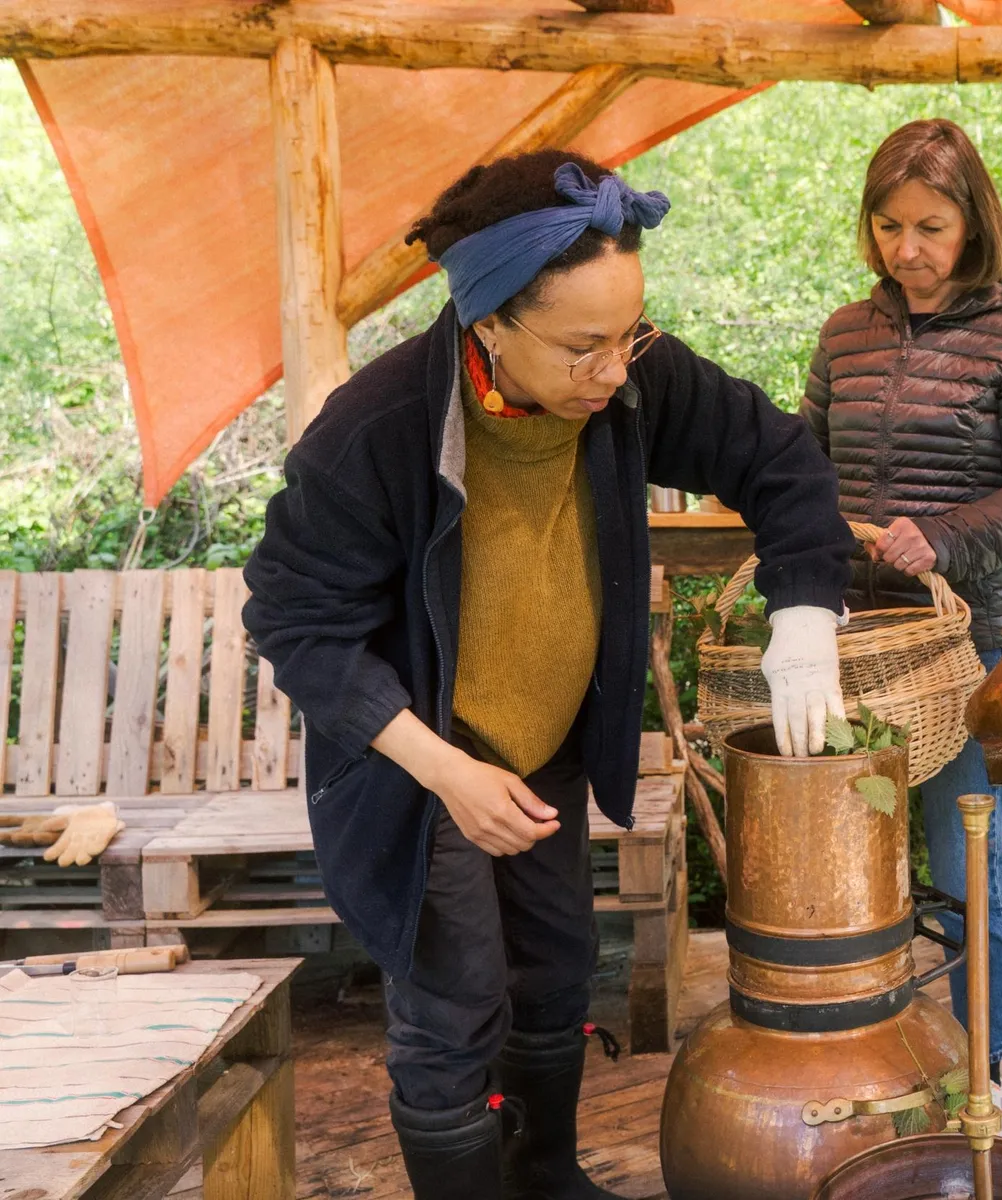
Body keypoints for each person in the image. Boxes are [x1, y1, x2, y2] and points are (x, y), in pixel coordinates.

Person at [243, 150, 855, 1200]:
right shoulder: (379, 430)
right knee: (454, 998)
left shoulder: (630, 382)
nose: (616, 371)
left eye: (631, 334)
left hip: (551, 743)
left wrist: (804, 615)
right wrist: (445, 771)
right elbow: (295, 622)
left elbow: (779, 459)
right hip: (422, 757)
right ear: (488, 323)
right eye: (585, 346)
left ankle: (547, 1173)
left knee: (558, 968)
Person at [803, 118, 1002, 1128]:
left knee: (967, 860)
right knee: (844, 858)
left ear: (975, 224)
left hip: (968, 646)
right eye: (887, 226)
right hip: (848, 644)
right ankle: (862, 1051)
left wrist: (944, 538)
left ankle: (979, 1069)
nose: (906, 251)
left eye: (930, 227)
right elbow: (803, 459)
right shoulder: (847, 331)